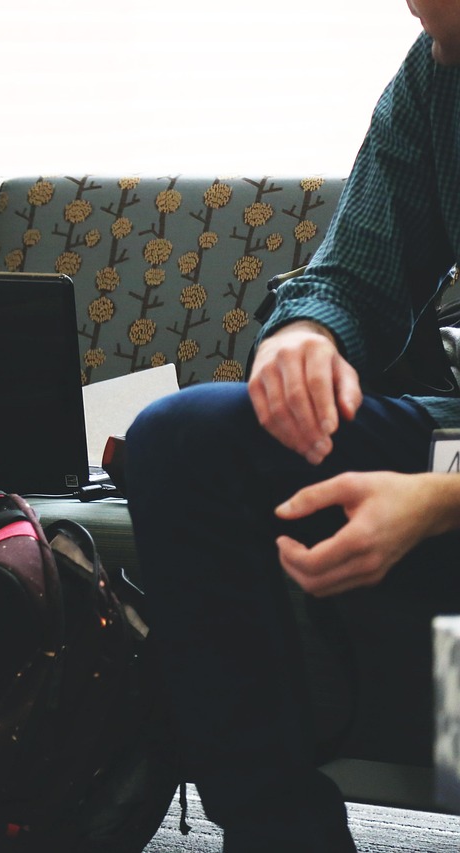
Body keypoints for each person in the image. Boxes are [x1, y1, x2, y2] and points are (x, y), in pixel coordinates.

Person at [124, 3, 460, 850]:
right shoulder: (436, 73)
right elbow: (356, 273)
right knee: (183, 439)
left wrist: (442, 502)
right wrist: (306, 333)